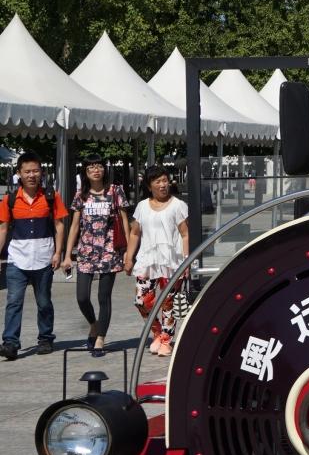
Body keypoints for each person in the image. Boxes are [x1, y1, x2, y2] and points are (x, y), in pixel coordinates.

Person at [0, 153, 69, 360]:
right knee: (13, 301)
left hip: (43, 257)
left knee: (44, 301)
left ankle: (45, 338)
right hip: (17, 259)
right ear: (19, 174)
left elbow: (59, 225)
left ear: (41, 173)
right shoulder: (10, 199)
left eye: (35, 171)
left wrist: (58, 252)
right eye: (27, 171)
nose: (32, 175)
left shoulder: (51, 196)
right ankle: (10, 343)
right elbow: (3, 229)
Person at [61, 155, 128, 355]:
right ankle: (94, 324)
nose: (96, 170)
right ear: (85, 172)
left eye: (99, 166)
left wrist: (127, 251)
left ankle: (100, 338)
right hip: (86, 252)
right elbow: (74, 226)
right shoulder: (81, 195)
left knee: (103, 297)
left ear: (104, 170)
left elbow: (124, 221)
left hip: (109, 251)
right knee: (82, 297)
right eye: (91, 168)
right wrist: (67, 255)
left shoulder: (115, 191)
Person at [124, 166, 190, 357]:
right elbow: (135, 233)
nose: (163, 185)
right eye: (158, 181)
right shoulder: (142, 206)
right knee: (141, 300)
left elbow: (185, 234)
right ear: (149, 185)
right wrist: (129, 257)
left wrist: (186, 261)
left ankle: (166, 340)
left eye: (165, 180)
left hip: (172, 260)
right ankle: (157, 332)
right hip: (148, 260)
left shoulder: (177, 205)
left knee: (168, 303)